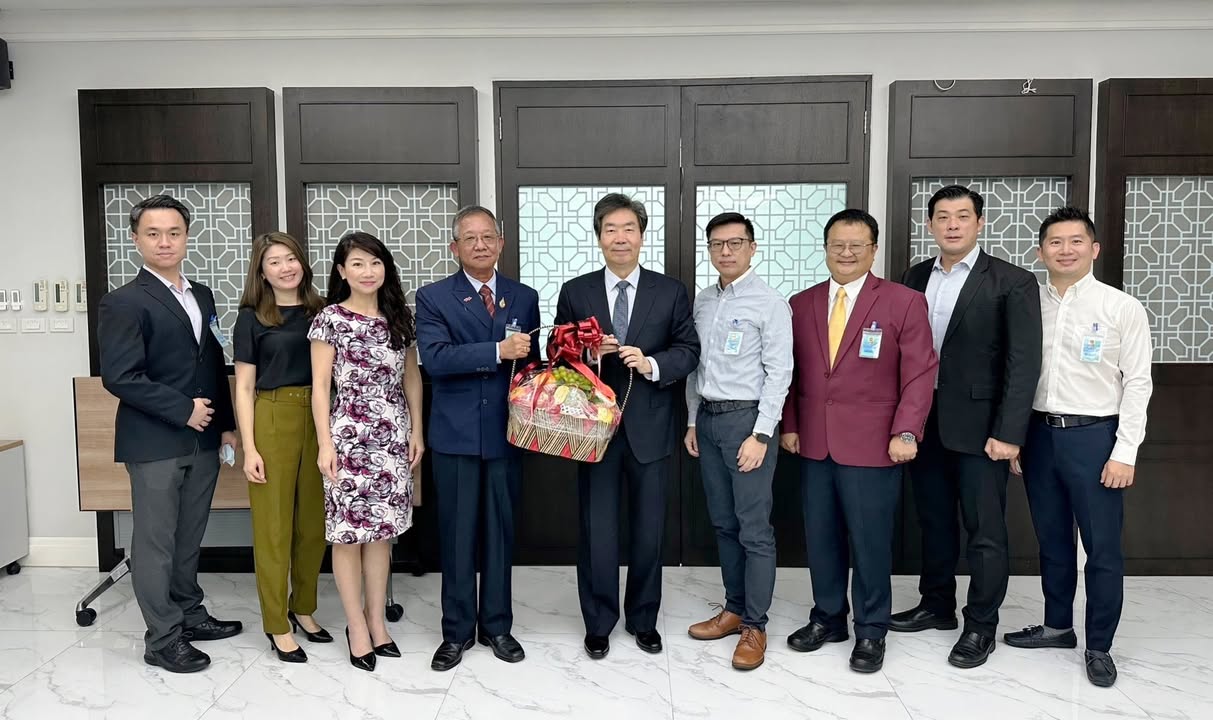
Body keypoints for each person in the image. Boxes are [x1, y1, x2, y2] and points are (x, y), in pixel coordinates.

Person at [892, 184, 1042, 669]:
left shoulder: (1011, 281)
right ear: (930, 224)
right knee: (933, 521)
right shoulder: (914, 276)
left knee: (985, 530)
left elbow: (1023, 363)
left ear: (979, 222)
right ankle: (937, 605)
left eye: (962, 216)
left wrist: (1010, 432)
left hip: (982, 429)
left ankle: (981, 624)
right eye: (942, 216)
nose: (952, 224)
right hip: (923, 422)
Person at [781, 209, 936, 673]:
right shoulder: (801, 303)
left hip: (875, 444)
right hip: (814, 442)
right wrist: (790, 424)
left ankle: (871, 629)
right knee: (821, 537)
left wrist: (906, 431)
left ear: (873, 250)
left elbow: (920, 373)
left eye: (856, 245)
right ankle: (828, 618)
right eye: (837, 244)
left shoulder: (904, 301)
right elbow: (790, 372)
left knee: (869, 542)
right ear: (825, 248)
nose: (846, 253)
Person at [1004, 206, 1153, 688]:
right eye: (1055, 242)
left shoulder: (1120, 307)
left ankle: (1099, 646)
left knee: (1102, 547)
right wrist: (1016, 436)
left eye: (1075, 241)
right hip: (1039, 435)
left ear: (1094, 249)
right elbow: (1014, 372)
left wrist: (1125, 452)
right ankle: (1057, 627)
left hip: (1095, 437)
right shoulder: (1028, 304)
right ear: (1040, 251)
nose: (1065, 250)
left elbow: (1139, 383)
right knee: (1052, 539)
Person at [98, 194, 243, 674]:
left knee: (188, 537)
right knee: (155, 543)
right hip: (155, 440)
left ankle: (189, 615)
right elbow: (121, 376)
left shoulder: (202, 294)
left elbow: (212, 363)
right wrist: (183, 410)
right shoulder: (122, 301)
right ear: (136, 239)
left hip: (203, 439)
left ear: (186, 237)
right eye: (153, 233)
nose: (165, 242)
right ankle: (162, 639)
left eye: (174, 233)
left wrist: (225, 424)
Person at [554, 192, 700, 660]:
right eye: (611, 229)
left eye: (629, 229)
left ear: (641, 236)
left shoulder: (670, 291)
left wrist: (652, 363)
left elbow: (689, 350)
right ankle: (598, 622)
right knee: (597, 530)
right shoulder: (576, 291)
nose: (620, 238)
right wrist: (587, 353)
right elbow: (557, 353)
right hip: (593, 429)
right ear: (599, 237)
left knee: (648, 530)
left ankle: (643, 619)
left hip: (650, 427)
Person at [415, 206, 541, 671]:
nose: (480, 245)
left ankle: (497, 626)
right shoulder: (433, 297)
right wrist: (496, 350)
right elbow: (435, 359)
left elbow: (531, 364)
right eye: (470, 238)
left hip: (508, 432)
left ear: (501, 242)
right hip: (456, 435)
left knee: (500, 534)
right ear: (455, 247)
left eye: (488, 236)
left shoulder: (523, 297)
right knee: (457, 536)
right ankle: (456, 632)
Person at [308, 231, 424, 672]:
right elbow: (321, 386)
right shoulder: (330, 318)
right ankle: (355, 625)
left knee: (380, 533)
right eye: (357, 263)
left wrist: (416, 431)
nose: (368, 271)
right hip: (348, 436)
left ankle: (377, 621)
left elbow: (411, 377)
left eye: (375, 263)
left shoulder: (400, 317)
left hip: (392, 436)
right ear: (342, 271)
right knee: (347, 534)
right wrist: (325, 443)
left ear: (385, 269)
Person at [683, 212, 792, 671]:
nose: (725, 251)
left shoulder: (770, 303)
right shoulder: (704, 301)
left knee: (753, 529)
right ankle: (733, 609)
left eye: (735, 243)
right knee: (724, 523)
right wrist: (693, 421)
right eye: (717, 244)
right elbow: (695, 367)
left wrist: (761, 433)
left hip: (747, 422)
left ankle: (755, 625)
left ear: (752, 247)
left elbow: (780, 372)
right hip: (708, 421)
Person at [233, 231, 329, 663]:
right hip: (272, 417)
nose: (285, 267)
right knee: (273, 529)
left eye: (291, 258)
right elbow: (244, 387)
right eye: (274, 261)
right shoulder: (252, 317)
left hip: (321, 417)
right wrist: (250, 448)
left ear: (302, 263)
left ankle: (303, 607)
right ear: (262, 271)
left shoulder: (323, 311)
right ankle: (277, 623)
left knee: (313, 524)